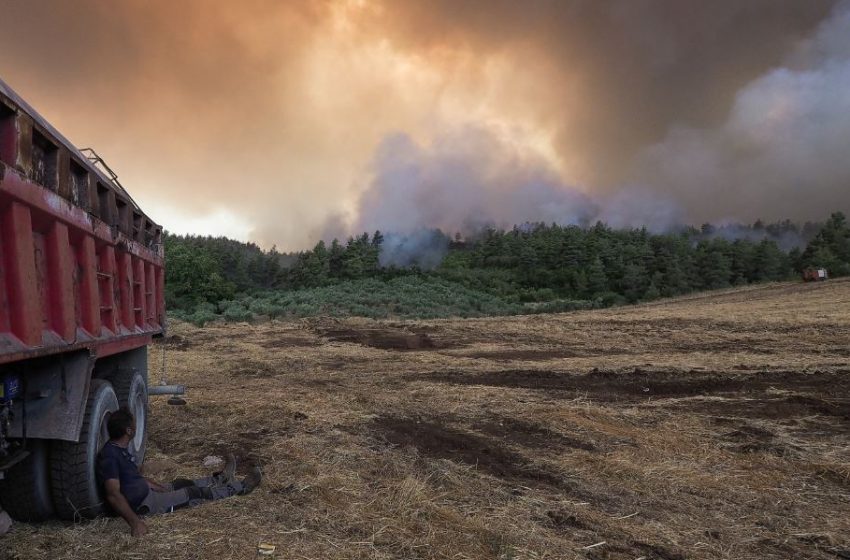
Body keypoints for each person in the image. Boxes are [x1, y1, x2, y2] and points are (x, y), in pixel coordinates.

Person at [97, 407, 261, 537]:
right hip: (145, 504)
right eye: (133, 424)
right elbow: (113, 494)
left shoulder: (119, 449)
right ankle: (241, 487)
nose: (136, 425)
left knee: (181, 483)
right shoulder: (110, 457)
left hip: (147, 493)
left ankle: (223, 479)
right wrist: (135, 523)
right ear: (128, 431)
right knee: (193, 493)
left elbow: (131, 478)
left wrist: (157, 486)